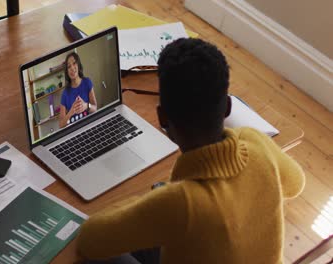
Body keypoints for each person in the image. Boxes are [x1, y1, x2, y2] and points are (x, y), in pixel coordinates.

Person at [75, 38, 305, 263]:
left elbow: (90, 239)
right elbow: (296, 183)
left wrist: (152, 201)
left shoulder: (179, 203)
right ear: (227, 107)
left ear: (162, 117)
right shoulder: (256, 142)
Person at [59, 52, 98, 128]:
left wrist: (86, 106)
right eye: (69, 66)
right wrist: (71, 112)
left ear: (78, 65)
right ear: (67, 71)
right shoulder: (65, 93)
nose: (72, 68)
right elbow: (61, 124)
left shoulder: (87, 82)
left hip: (89, 126)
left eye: (74, 63)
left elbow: (95, 108)